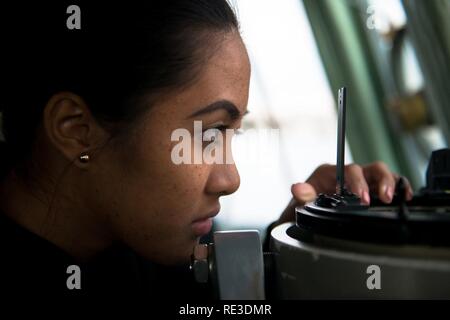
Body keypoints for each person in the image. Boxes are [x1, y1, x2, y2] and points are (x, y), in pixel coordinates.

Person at [0, 0, 412, 298]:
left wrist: (296, 244)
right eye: (208, 134)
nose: (230, 179)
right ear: (76, 131)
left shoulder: (144, 254)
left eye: (232, 133)